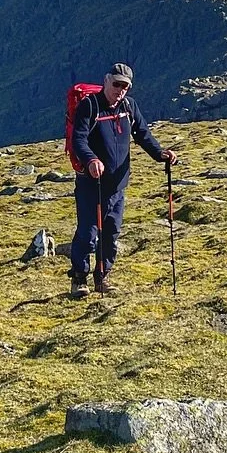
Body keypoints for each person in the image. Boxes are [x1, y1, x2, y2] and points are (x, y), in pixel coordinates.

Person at [67, 62, 176, 297]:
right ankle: (79, 279)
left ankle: (102, 277)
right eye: (117, 84)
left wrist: (160, 154)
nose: (121, 90)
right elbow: (79, 140)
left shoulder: (129, 106)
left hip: (118, 185)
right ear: (106, 80)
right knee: (88, 232)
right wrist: (91, 160)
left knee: (111, 233)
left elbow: (142, 134)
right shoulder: (89, 106)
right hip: (92, 184)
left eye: (125, 86)